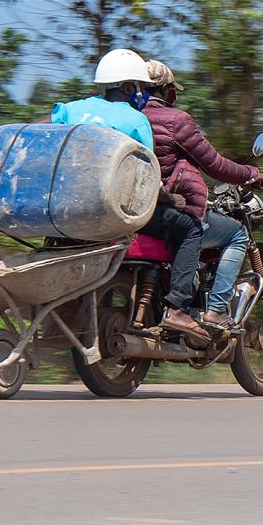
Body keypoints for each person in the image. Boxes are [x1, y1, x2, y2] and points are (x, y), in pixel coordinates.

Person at [51, 48, 206, 342]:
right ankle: (176, 309)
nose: (141, 94)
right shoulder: (135, 120)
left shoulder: (69, 109)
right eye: (138, 87)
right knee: (190, 231)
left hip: (67, 210)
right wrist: (170, 199)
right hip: (114, 213)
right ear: (127, 87)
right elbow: (147, 177)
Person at [141, 59, 263, 334]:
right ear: (168, 92)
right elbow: (215, 165)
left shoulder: (127, 118)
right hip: (172, 207)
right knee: (236, 233)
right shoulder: (177, 121)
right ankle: (214, 310)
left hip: (135, 208)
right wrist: (251, 173)